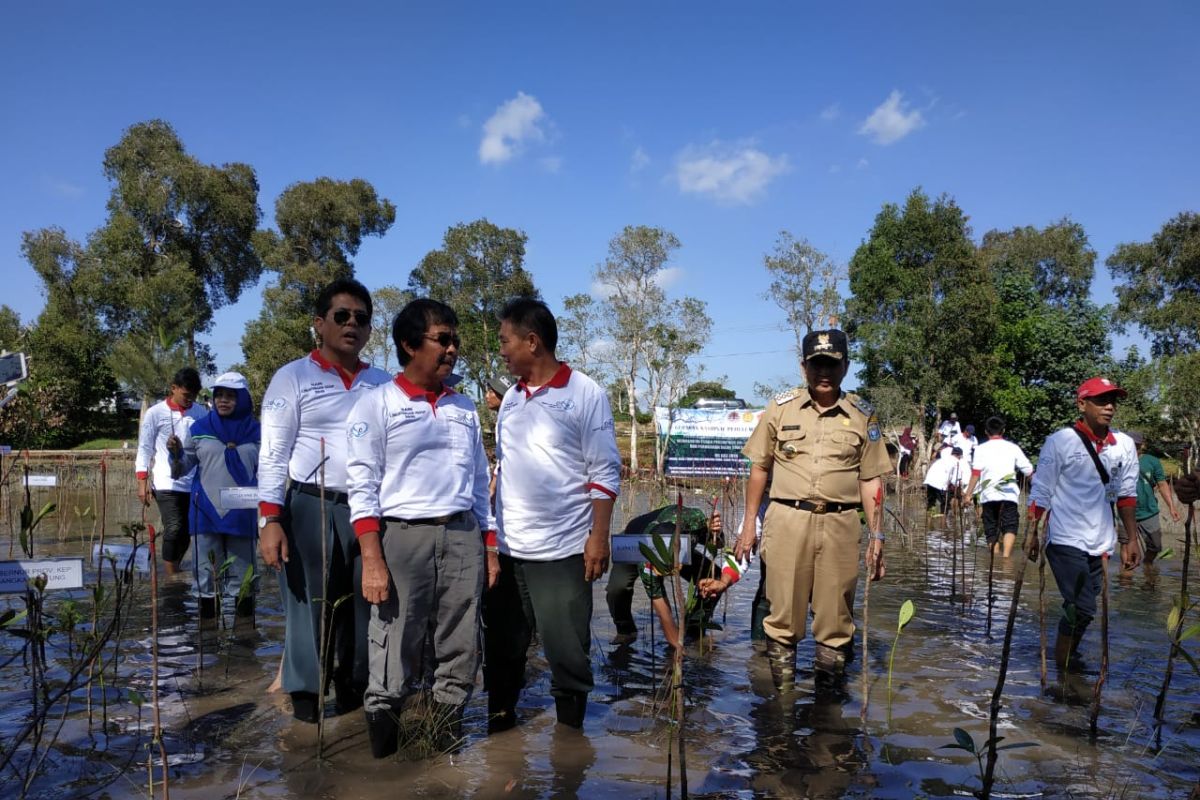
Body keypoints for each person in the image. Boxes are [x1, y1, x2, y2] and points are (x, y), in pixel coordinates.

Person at [346, 299, 496, 758]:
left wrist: (489, 547)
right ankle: (385, 763)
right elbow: (362, 486)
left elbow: (476, 480)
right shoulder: (377, 404)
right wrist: (372, 560)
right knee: (394, 643)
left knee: (461, 642)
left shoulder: (464, 406)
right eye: (442, 340)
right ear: (410, 345)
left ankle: (443, 747)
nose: (452, 349)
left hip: (461, 535)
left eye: (455, 340)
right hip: (401, 537)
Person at [257, 278, 392, 723]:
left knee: (364, 612)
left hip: (368, 511)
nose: (352, 324)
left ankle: (355, 705)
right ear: (320, 324)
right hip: (308, 507)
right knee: (308, 612)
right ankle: (305, 714)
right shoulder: (292, 377)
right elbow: (274, 452)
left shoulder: (383, 383)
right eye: (341, 316)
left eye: (361, 318)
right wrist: (270, 518)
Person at [484, 298, 621, 733]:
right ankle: (501, 738)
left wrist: (598, 538)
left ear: (532, 341)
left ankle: (569, 750)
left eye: (505, 341)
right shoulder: (511, 401)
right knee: (504, 652)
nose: (501, 351)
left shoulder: (585, 393)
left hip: (562, 552)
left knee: (568, 657)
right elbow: (505, 469)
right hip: (509, 553)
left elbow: (604, 472)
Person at [734, 329, 890, 690]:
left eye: (832, 364)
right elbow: (760, 468)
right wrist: (747, 527)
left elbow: (871, 481)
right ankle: (782, 711)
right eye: (817, 364)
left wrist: (877, 536)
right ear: (804, 367)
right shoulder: (781, 408)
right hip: (787, 520)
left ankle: (827, 715)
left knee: (836, 622)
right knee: (783, 618)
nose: (824, 372)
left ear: (845, 367)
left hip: (841, 523)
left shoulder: (864, 415)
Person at [1026, 376, 1142, 672]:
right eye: (1102, 400)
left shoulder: (1124, 445)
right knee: (1083, 606)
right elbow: (1042, 489)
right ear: (1082, 404)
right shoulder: (1060, 441)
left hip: (1102, 542)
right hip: (1064, 538)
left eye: (1113, 401)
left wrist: (1131, 538)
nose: (1110, 407)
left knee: (1086, 611)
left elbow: (1126, 495)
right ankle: (1062, 670)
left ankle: (1066, 659)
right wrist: (1032, 532)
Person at [167, 372, 261, 620]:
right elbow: (182, 468)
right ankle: (207, 640)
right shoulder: (200, 429)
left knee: (244, 577)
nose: (223, 401)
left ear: (242, 399)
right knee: (205, 575)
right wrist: (175, 454)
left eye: (230, 396)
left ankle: (243, 641)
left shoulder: (258, 432)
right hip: (205, 512)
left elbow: (269, 470)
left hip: (242, 512)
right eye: (219, 395)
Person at [637, 506, 746, 648]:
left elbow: (719, 544)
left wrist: (715, 531)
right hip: (632, 537)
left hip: (678, 527)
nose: (669, 572)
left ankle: (695, 629)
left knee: (716, 578)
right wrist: (678, 651)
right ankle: (626, 632)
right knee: (619, 587)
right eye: (663, 569)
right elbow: (664, 615)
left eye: (672, 566)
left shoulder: (695, 521)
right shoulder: (646, 564)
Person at [136, 367, 206, 575]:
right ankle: (170, 574)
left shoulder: (201, 412)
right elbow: (145, 447)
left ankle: (175, 565)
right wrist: (142, 481)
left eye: (193, 395)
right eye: (186, 394)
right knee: (174, 527)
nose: (189, 399)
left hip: (192, 481)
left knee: (187, 532)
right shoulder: (155, 413)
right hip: (166, 482)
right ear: (173, 388)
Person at [964, 416, 1033, 558]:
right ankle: (1007, 558)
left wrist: (968, 494)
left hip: (988, 495)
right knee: (1010, 525)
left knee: (991, 528)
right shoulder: (1013, 448)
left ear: (986, 432)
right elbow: (1028, 471)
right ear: (1003, 430)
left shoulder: (980, 449)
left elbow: (976, 473)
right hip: (1009, 495)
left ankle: (994, 559)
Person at [1128, 430, 1181, 564]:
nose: (1134, 447)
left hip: (1149, 511)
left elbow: (1162, 484)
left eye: (1137, 444)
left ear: (1142, 445)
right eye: (1130, 444)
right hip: (1126, 512)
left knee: (1156, 546)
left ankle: (1147, 566)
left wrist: (1171, 507)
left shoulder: (1152, 461)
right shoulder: (1117, 460)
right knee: (1127, 547)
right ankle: (1126, 581)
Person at [924, 446, 967, 514]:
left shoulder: (943, 459)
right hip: (940, 484)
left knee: (931, 503)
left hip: (929, 481)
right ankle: (943, 519)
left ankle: (929, 519)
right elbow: (955, 481)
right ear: (959, 455)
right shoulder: (956, 462)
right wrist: (961, 492)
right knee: (945, 504)